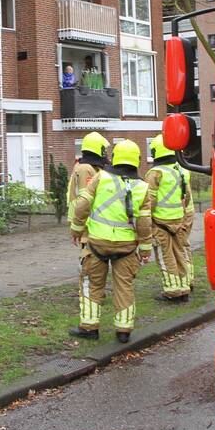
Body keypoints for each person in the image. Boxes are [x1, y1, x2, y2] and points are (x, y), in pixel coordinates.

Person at [69, 139, 153, 344]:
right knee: (124, 286)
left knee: (91, 283)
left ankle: (89, 327)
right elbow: (144, 223)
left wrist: (77, 229)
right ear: (137, 160)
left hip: (97, 243)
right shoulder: (143, 187)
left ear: (115, 158)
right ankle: (123, 330)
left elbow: (82, 205)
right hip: (126, 247)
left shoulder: (101, 178)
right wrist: (145, 248)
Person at [144, 135, 192, 302]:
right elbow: (185, 197)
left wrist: (146, 221)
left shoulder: (155, 173)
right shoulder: (180, 170)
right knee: (180, 253)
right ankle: (184, 287)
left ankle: (172, 290)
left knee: (165, 256)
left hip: (160, 223)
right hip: (178, 221)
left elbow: (150, 200)